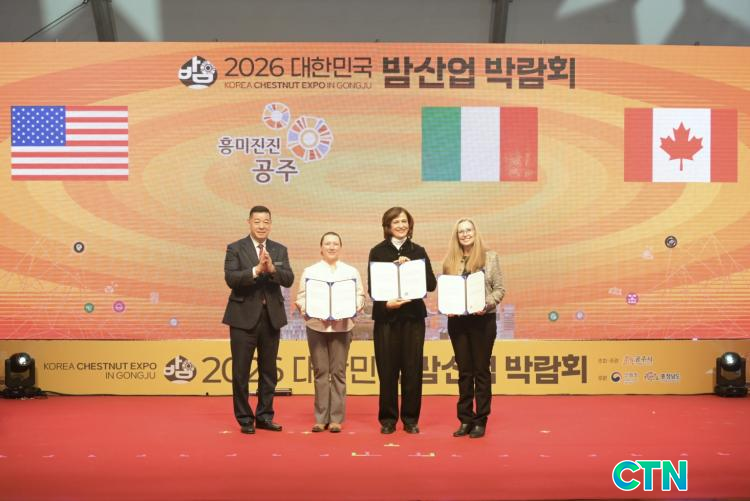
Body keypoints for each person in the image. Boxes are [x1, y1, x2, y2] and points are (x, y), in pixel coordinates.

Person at [222, 206, 294, 435]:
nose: (262, 226)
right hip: (242, 318)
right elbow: (231, 278)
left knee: (268, 371)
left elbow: (288, 279)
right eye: (257, 221)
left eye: (266, 222)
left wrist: (272, 269)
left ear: (270, 224)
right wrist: (255, 270)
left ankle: (264, 416)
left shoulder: (279, 250)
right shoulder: (235, 248)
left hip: (271, 318)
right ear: (249, 223)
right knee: (241, 372)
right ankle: (245, 418)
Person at [368, 207, 437, 434]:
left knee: (412, 370)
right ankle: (388, 420)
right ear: (388, 226)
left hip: (412, 319)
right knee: (387, 371)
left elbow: (431, 284)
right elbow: (373, 289)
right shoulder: (377, 251)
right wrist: (386, 304)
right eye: (396, 222)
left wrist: (413, 268)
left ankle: (410, 419)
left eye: (404, 221)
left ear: (410, 225)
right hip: (386, 319)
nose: (400, 225)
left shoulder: (418, 251)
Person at [295, 232, 365, 433]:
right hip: (317, 327)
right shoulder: (310, 271)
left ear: (340, 247)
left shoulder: (350, 271)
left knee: (338, 373)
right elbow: (301, 298)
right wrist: (310, 311)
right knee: (321, 372)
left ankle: (336, 419)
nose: (331, 247)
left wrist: (353, 308)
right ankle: (320, 418)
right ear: (321, 248)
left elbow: (360, 296)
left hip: (342, 327)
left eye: (335, 244)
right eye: (328, 243)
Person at [442, 218, 504, 439]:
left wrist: (485, 304)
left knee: (481, 370)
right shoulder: (449, 261)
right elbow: (447, 291)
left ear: (475, 232)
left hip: (482, 320)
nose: (465, 234)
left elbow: (499, 290)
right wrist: (447, 307)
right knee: (464, 371)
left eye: (469, 230)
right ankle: (465, 419)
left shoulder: (490, 257)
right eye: (461, 231)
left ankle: (481, 420)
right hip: (458, 322)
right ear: (456, 236)